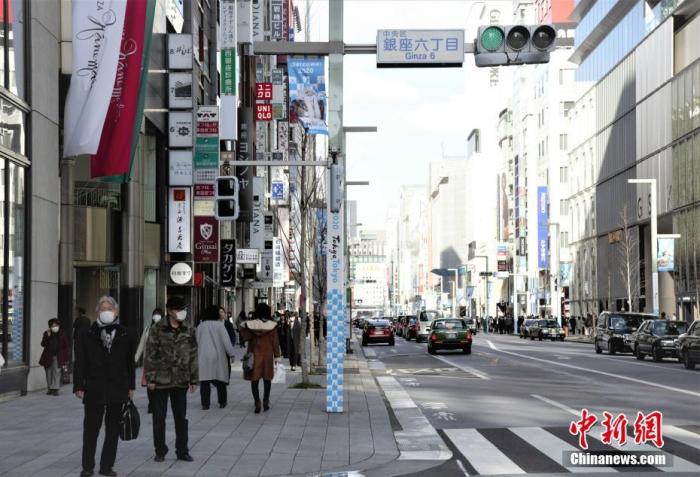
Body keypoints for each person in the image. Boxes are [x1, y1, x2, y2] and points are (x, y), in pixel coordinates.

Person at [73, 296, 136, 477]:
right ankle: (87, 466)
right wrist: (78, 385)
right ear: (97, 312)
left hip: (118, 386)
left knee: (113, 429)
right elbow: (80, 361)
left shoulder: (126, 333)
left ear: (116, 311)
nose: (106, 311)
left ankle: (106, 466)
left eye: (110, 308)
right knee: (91, 429)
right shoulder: (86, 333)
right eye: (103, 308)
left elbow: (130, 363)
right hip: (94, 386)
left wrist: (131, 386)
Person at [145, 296, 198, 463]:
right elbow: (150, 354)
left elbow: (193, 354)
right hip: (160, 380)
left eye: (184, 309)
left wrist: (194, 379)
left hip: (180, 379)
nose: (182, 312)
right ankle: (160, 450)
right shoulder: (157, 328)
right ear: (169, 311)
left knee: (181, 418)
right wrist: (150, 378)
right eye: (179, 309)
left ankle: (182, 450)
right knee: (159, 417)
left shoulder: (189, 329)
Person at [239, 303, 281, 413]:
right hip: (268, 356)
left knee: (254, 380)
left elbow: (244, 337)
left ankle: (257, 403)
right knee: (267, 380)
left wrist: (244, 324)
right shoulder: (272, 326)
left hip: (254, 356)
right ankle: (266, 402)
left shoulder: (250, 325)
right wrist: (277, 356)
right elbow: (275, 343)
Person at [197, 305, 236, 410]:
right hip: (218, 356)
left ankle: (205, 404)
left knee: (204, 381)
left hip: (204, 356)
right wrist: (231, 354)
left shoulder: (201, 326)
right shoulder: (220, 326)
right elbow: (226, 342)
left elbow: (196, 342)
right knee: (220, 380)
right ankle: (222, 402)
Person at [135, 308, 163, 414]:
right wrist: (135, 359)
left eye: (158, 314)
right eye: (155, 314)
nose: (156, 316)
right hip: (149, 361)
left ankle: (157, 404)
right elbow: (141, 345)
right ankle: (151, 404)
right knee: (149, 384)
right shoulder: (147, 329)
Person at [40, 318, 70, 396]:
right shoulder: (47, 333)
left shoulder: (62, 333)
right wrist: (48, 336)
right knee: (48, 372)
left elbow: (66, 346)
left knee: (56, 372)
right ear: (50, 327)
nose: (55, 327)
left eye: (56, 325)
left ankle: (55, 389)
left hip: (58, 356)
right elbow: (43, 344)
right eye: (53, 326)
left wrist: (66, 357)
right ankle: (50, 388)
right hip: (48, 356)